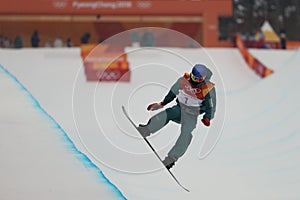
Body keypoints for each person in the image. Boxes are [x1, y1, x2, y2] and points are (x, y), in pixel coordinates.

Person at [137, 64, 217, 169]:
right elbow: (172, 93)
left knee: (187, 134)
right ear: (191, 75)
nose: (196, 81)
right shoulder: (184, 80)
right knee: (168, 113)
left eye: (199, 79)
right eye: (194, 78)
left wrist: (207, 117)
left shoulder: (208, 88)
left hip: (192, 115)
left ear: (204, 78)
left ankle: (171, 159)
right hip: (180, 109)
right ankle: (147, 129)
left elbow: (211, 106)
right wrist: (161, 104)